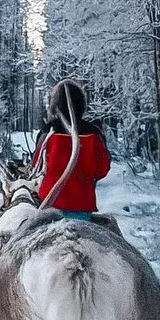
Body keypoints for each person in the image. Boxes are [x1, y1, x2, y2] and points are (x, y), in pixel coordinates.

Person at [31, 79, 111, 220]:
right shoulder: (93, 133)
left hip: (49, 204)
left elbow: (36, 166)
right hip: (82, 205)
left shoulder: (48, 132)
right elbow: (103, 168)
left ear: (55, 105)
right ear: (81, 104)